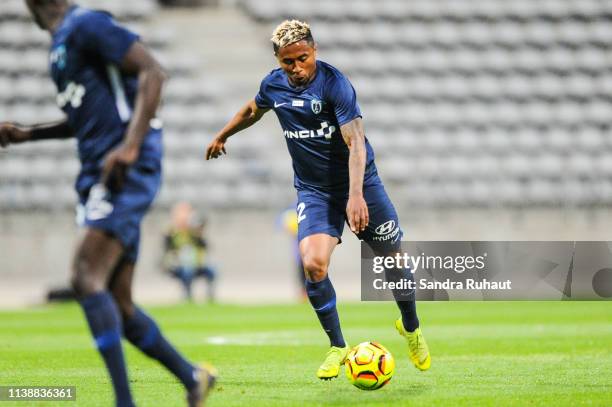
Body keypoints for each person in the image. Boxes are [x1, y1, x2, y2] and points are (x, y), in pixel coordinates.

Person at [0, 1, 216, 406]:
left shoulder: (87, 25)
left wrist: (131, 147)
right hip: (99, 171)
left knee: (84, 276)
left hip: (123, 169)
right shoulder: (60, 45)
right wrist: (28, 134)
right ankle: (192, 378)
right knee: (119, 303)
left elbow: (153, 72)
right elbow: (85, 119)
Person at [206, 19, 431, 380]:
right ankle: (338, 346)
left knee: (394, 263)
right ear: (278, 61)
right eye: (288, 62)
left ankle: (412, 327)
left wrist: (356, 196)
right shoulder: (273, 85)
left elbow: (355, 142)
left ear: (315, 50)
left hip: (362, 184)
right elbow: (253, 109)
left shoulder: (334, 84)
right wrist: (223, 135)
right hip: (314, 191)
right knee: (313, 264)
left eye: (303, 58)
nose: (297, 68)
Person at [163, 202, 216, 302]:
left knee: (212, 270)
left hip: (196, 264)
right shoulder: (171, 232)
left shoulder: (194, 232)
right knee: (187, 271)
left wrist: (199, 234)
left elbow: (205, 246)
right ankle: (188, 296)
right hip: (178, 265)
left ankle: (210, 297)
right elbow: (167, 252)